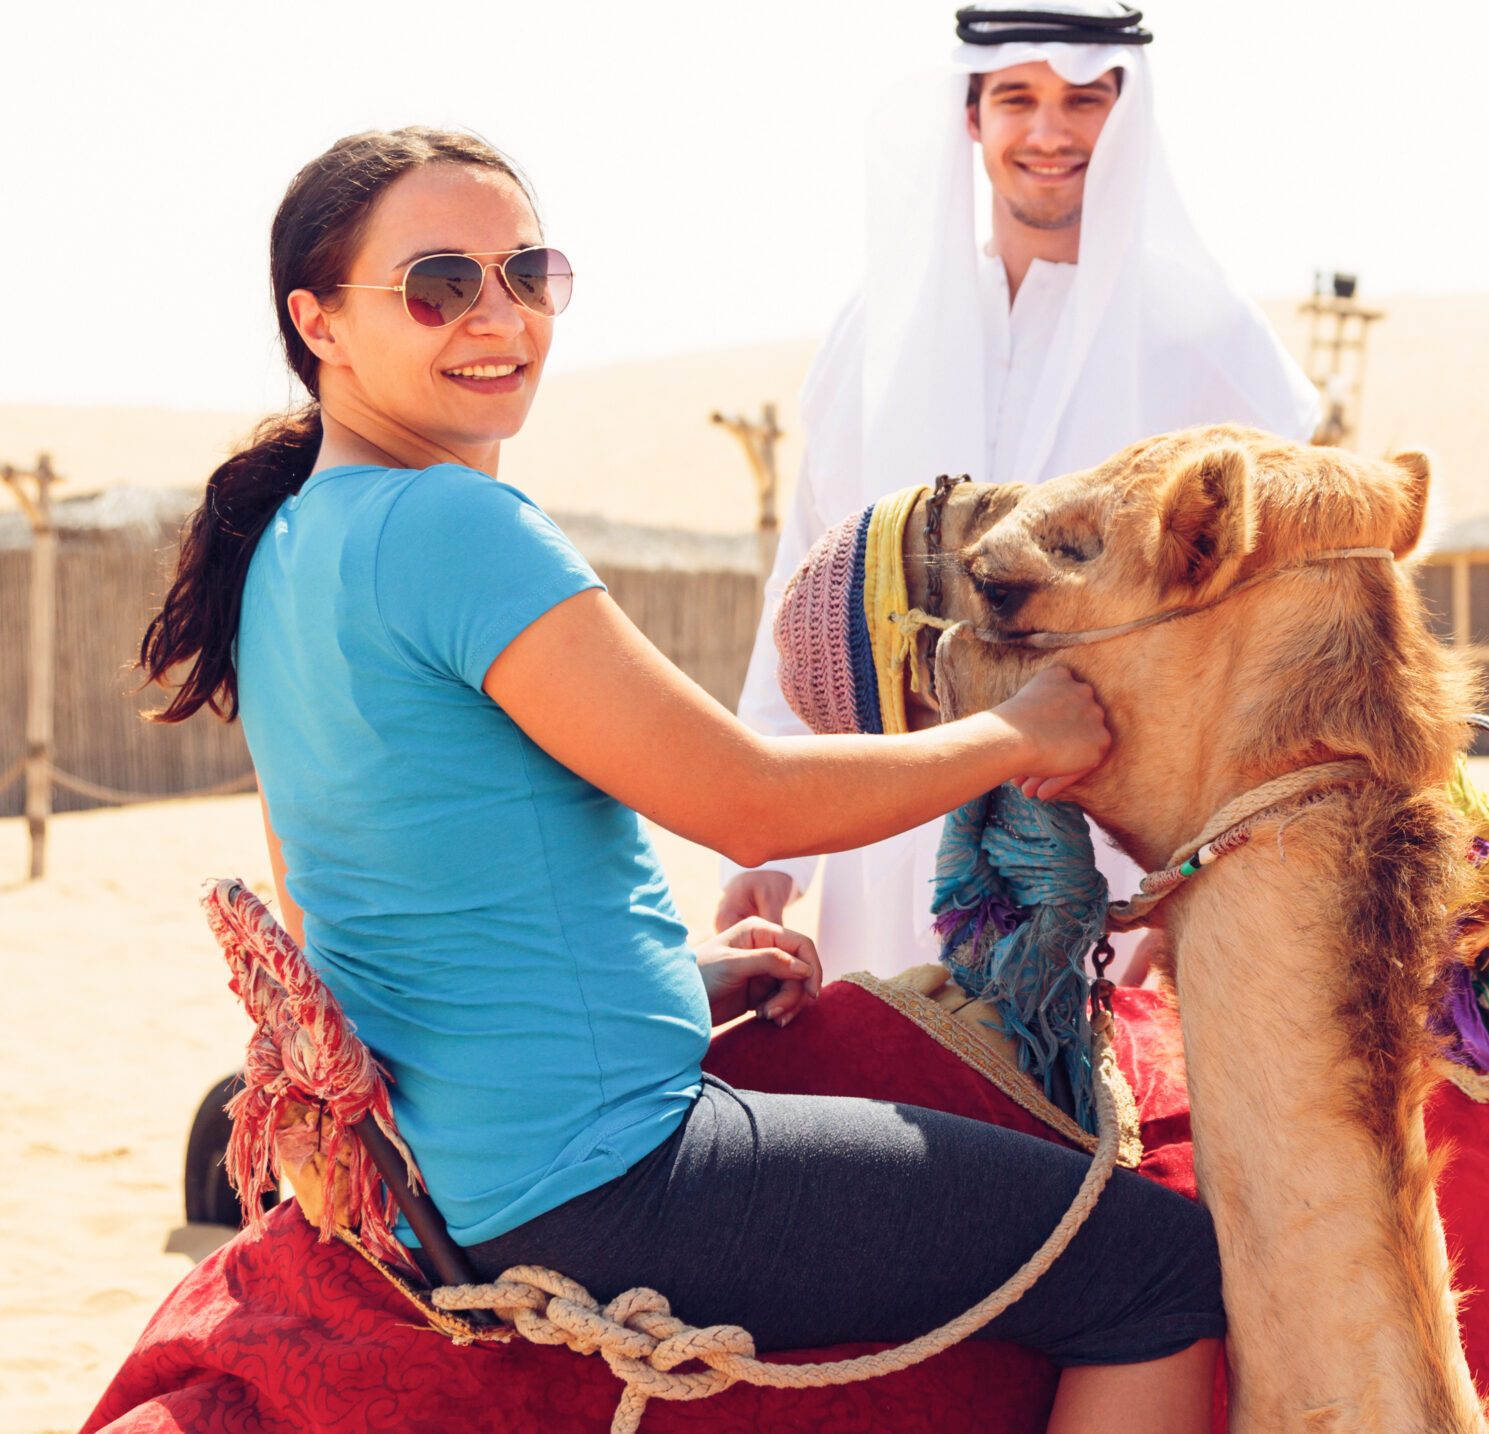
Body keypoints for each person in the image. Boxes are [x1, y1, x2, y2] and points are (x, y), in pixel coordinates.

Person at [136, 126, 1221, 1431]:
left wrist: (687, 985)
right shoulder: (453, 524)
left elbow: (375, 913)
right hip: (615, 1176)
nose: (501, 316)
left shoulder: (291, 544)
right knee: (1160, 1267)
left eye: (528, 274)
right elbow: (746, 799)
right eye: (439, 285)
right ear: (320, 323)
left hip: (475, 1175)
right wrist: (1024, 734)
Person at [718, 1, 1323, 976]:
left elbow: (1276, 640)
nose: (1048, 131)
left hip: (1118, 861)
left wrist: (1196, 884)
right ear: (972, 115)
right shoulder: (878, 329)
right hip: (887, 831)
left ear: (1125, 114)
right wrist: (771, 846)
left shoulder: (1211, 345)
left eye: (1082, 99)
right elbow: (810, 577)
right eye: (1017, 98)